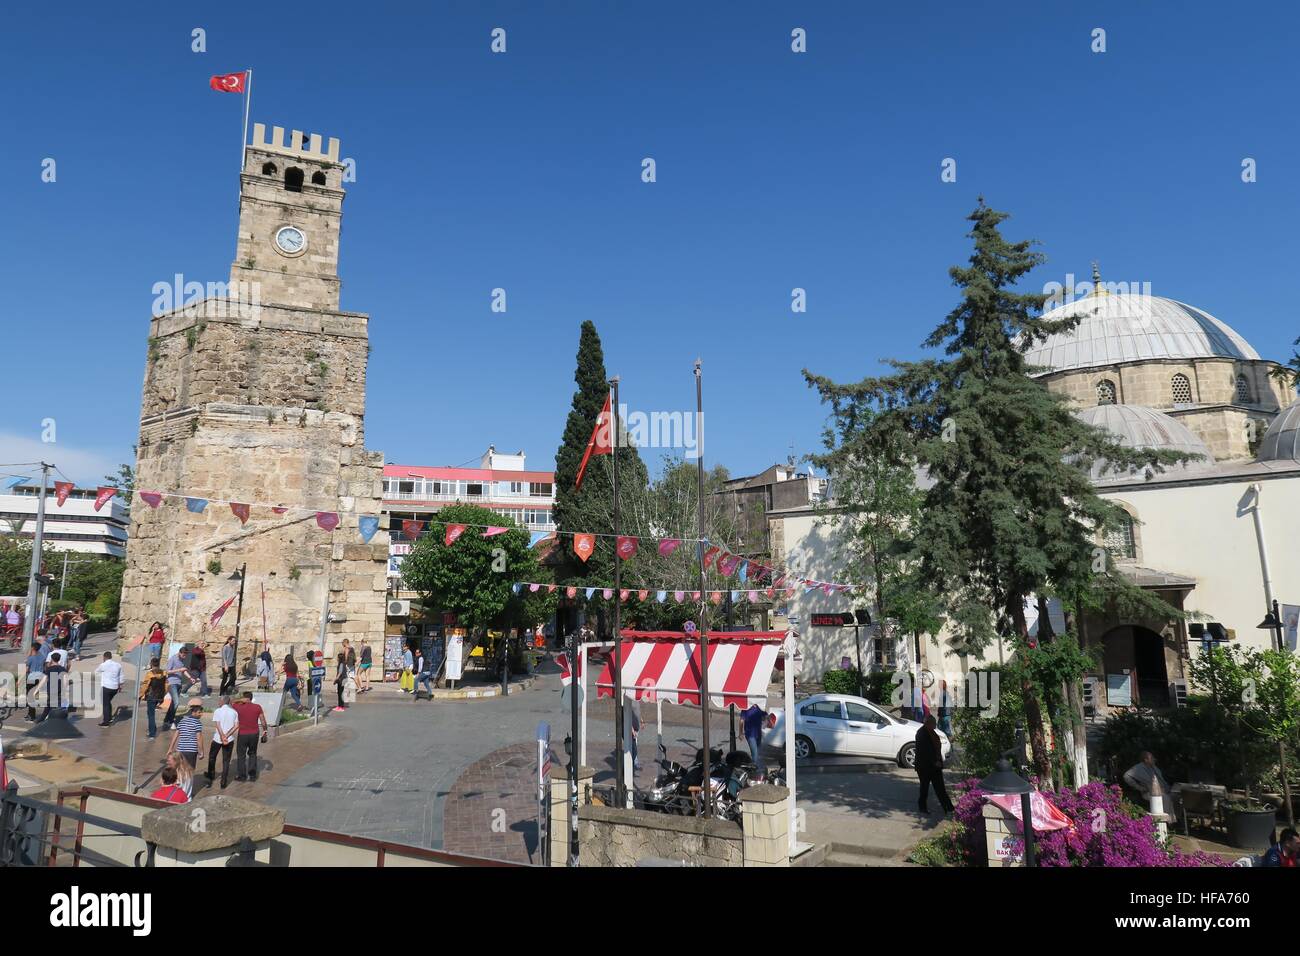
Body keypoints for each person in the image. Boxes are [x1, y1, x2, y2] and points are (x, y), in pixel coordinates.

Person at [915, 714, 953, 815]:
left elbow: (936, 749)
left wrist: (938, 762)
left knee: (940, 788)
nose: (935, 725)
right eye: (933, 723)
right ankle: (923, 807)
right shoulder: (921, 734)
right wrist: (934, 762)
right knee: (925, 788)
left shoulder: (932, 732)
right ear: (927, 723)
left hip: (935, 766)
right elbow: (924, 752)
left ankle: (949, 808)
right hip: (925, 767)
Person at [232, 691, 267, 782]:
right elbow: (263, 720)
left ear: (244, 698)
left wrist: (240, 700)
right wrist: (265, 730)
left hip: (243, 734)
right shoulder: (257, 707)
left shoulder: (238, 707)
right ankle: (252, 775)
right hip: (254, 734)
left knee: (241, 755)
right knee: (252, 753)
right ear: (251, 698)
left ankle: (242, 776)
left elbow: (231, 702)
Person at [206, 695, 239, 789]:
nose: (218, 702)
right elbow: (236, 726)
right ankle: (223, 781)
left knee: (212, 757)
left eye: (219, 701)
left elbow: (218, 724)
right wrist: (227, 736)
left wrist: (222, 736)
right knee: (226, 760)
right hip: (229, 740)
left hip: (217, 738)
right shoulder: (234, 712)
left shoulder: (218, 711)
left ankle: (210, 776)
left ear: (223, 701)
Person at [168, 698, 205, 769]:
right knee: (190, 770)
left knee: (180, 770)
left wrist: (170, 748)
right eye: (199, 712)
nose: (201, 714)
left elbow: (175, 735)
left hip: (180, 750)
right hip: (191, 751)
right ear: (193, 712)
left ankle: (180, 780)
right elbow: (199, 738)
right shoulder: (197, 723)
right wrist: (201, 751)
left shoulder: (182, 721)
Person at [41, 639, 70, 721]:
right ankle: (61, 713)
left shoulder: (51, 654)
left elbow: (47, 665)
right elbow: (69, 664)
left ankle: (48, 716)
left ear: (53, 645)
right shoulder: (65, 652)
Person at [139, 656, 168, 738]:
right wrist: (163, 695)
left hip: (151, 696)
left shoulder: (150, 674)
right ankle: (153, 729)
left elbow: (145, 685)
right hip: (159, 696)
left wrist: (140, 695)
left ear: (151, 664)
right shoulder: (164, 673)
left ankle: (152, 733)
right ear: (159, 664)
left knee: (151, 714)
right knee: (151, 714)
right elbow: (166, 685)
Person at [95, 650, 124, 727]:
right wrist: (120, 686)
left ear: (104, 657)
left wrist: (102, 676)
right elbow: (121, 676)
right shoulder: (118, 665)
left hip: (106, 687)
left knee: (105, 704)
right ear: (111, 657)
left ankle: (106, 722)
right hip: (115, 688)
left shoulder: (103, 665)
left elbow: (96, 672)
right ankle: (110, 717)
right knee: (108, 702)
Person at [740, 702, 768, 774]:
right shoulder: (745, 708)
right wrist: (740, 732)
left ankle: (752, 768)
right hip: (750, 734)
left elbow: (765, 716)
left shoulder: (759, 707)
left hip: (758, 733)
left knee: (757, 752)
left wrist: (766, 720)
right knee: (755, 753)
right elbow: (741, 721)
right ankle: (754, 772)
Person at [25, 641, 44, 721]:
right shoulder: (42, 657)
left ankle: (32, 715)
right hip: (39, 678)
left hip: (31, 678)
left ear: (32, 648)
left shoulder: (31, 658)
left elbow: (26, 669)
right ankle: (30, 714)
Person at [165, 647, 187, 715]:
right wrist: (179, 670)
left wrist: (190, 678)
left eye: (186, 655)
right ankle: (170, 719)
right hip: (172, 683)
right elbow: (167, 671)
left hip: (179, 683)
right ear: (180, 653)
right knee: (176, 702)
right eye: (184, 655)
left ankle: (167, 720)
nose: (185, 657)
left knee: (173, 703)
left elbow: (183, 670)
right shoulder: (173, 659)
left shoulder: (182, 659)